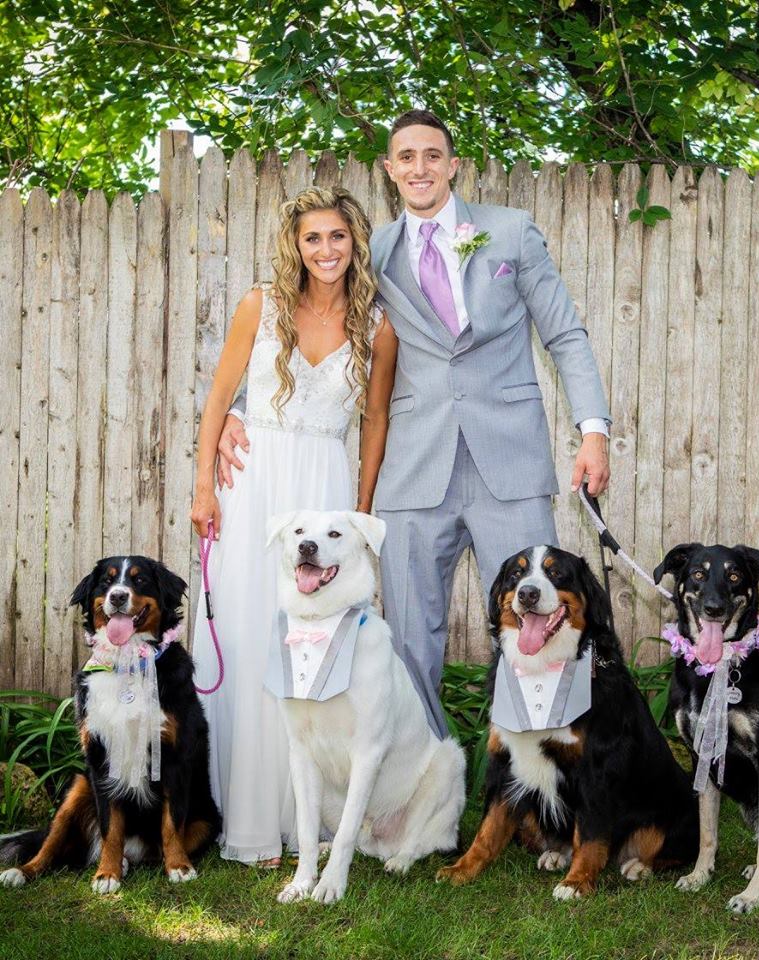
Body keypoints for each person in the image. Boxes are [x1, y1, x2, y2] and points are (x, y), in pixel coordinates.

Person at [218, 110, 609, 739]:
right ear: (390, 170)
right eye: (406, 157)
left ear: (454, 165)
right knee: (407, 642)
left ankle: (553, 799)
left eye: (433, 155)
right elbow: (310, 325)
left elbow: (564, 333)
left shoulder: (510, 234)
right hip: (411, 470)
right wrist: (242, 410)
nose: (419, 167)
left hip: (508, 464)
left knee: (544, 629)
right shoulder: (371, 253)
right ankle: (427, 786)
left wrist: (594, 430)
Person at [189, 187, 398, 864]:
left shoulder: (379, 327)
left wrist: (359, 519)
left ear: (355, 243)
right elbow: (220, 397)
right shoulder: (262, 304)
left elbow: (374, 425)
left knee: (310, 649)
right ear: (296, 245)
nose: (327, 250)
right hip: (255, 491)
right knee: (251, 634)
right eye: (314, 238)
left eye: (338, 237)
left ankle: (301, 816)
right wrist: (203, 490)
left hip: (324, 487)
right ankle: (242, 816)